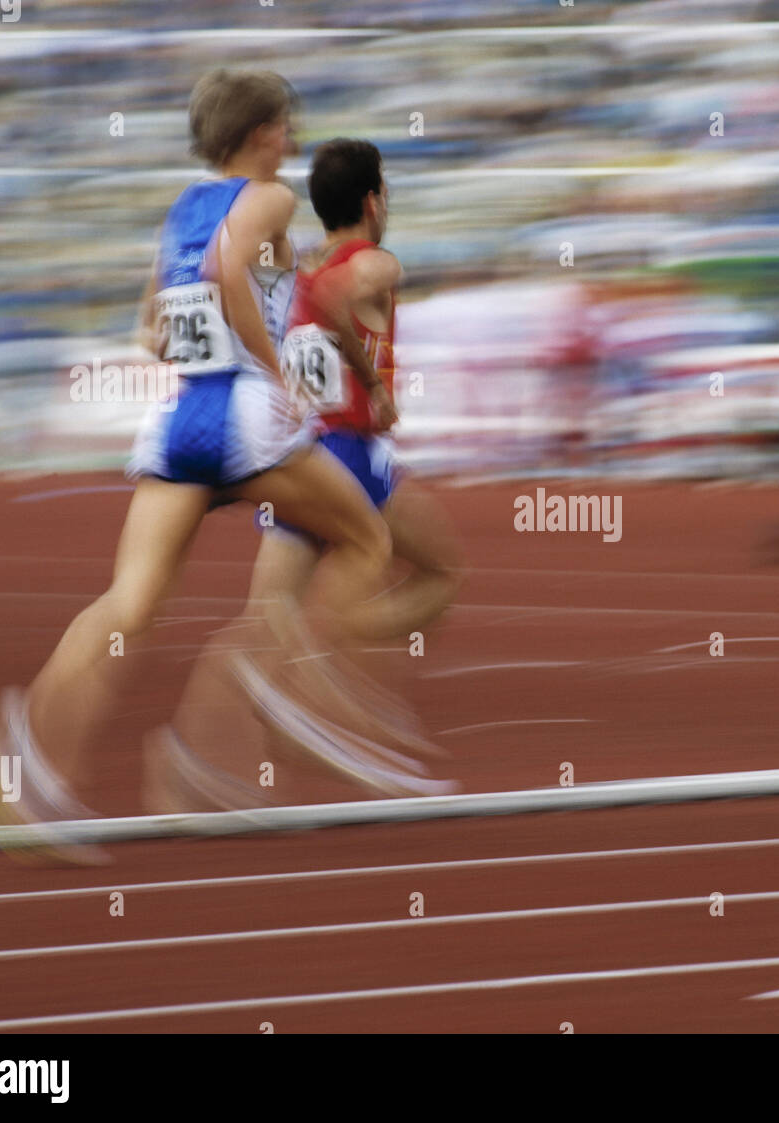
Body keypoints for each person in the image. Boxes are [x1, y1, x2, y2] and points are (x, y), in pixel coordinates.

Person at [0, 70, 397, 860]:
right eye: (286, 120)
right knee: (366, 539)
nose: (293, 131)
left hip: (178, 420)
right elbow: (225, 276)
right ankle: (289, 690)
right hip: (243, 416)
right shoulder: (268, 196)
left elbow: (151, 326)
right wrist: (274, 372)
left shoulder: (183, 208)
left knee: (129, 603)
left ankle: (26, 754)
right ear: (260, 132)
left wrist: (235, 315)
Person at [148, 138, 464, 812]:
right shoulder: (373, 263)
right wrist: (373, 380)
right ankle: (319, 672)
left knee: (264, 622)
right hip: (351, 454)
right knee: (440, 572)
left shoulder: (294, 266)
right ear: (375, 201)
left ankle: (191, 755)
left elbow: (259, 298)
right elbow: (337, 292)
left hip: (295, 457)